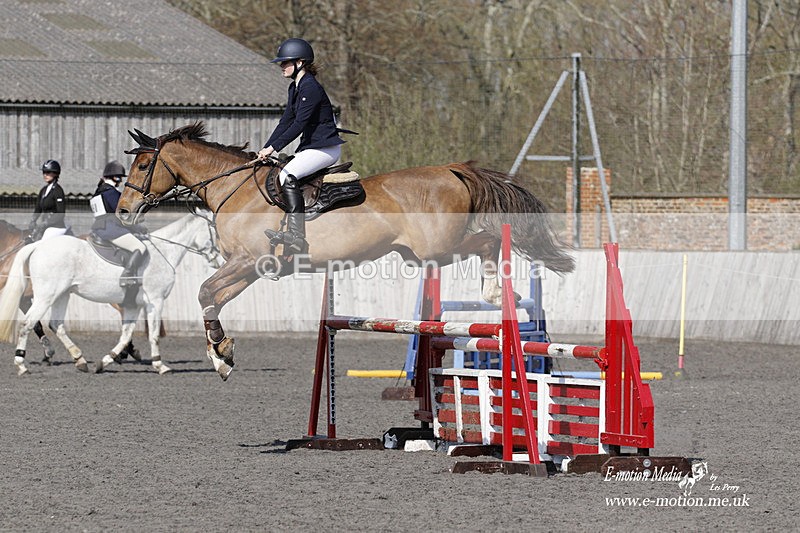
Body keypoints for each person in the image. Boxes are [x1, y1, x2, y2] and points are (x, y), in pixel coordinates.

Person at [257, 38, 346, 255]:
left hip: (325, 149)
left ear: (300, 63)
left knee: (287, 175)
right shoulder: (294, 88)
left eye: (286, 62)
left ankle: (297, 236)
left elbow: (299, 124)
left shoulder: (311, 87)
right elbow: (285, 121)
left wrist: (274, 149)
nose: (282, 67)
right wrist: (266, 147)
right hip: (312, 148)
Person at [90, 160, 147, 287]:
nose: (121, 181)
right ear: (115, 177)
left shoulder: (98, 192)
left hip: (99, 227)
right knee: (140, 247)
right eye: (120, 178)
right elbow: (122, 216)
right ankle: (127, 276)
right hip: (111, 229)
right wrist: (137, 227)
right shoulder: (111, 193)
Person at [28, 159, 68, 241]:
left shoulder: (58, 190)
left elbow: (61, 213)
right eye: (44, 172)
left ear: (55, 174)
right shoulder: (43, 190)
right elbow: (38, 208)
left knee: (43, 244)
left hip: (56, 227)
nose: (45, 175)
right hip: (45, 227)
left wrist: (45, 223)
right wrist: (33, 220)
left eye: (48, 172)